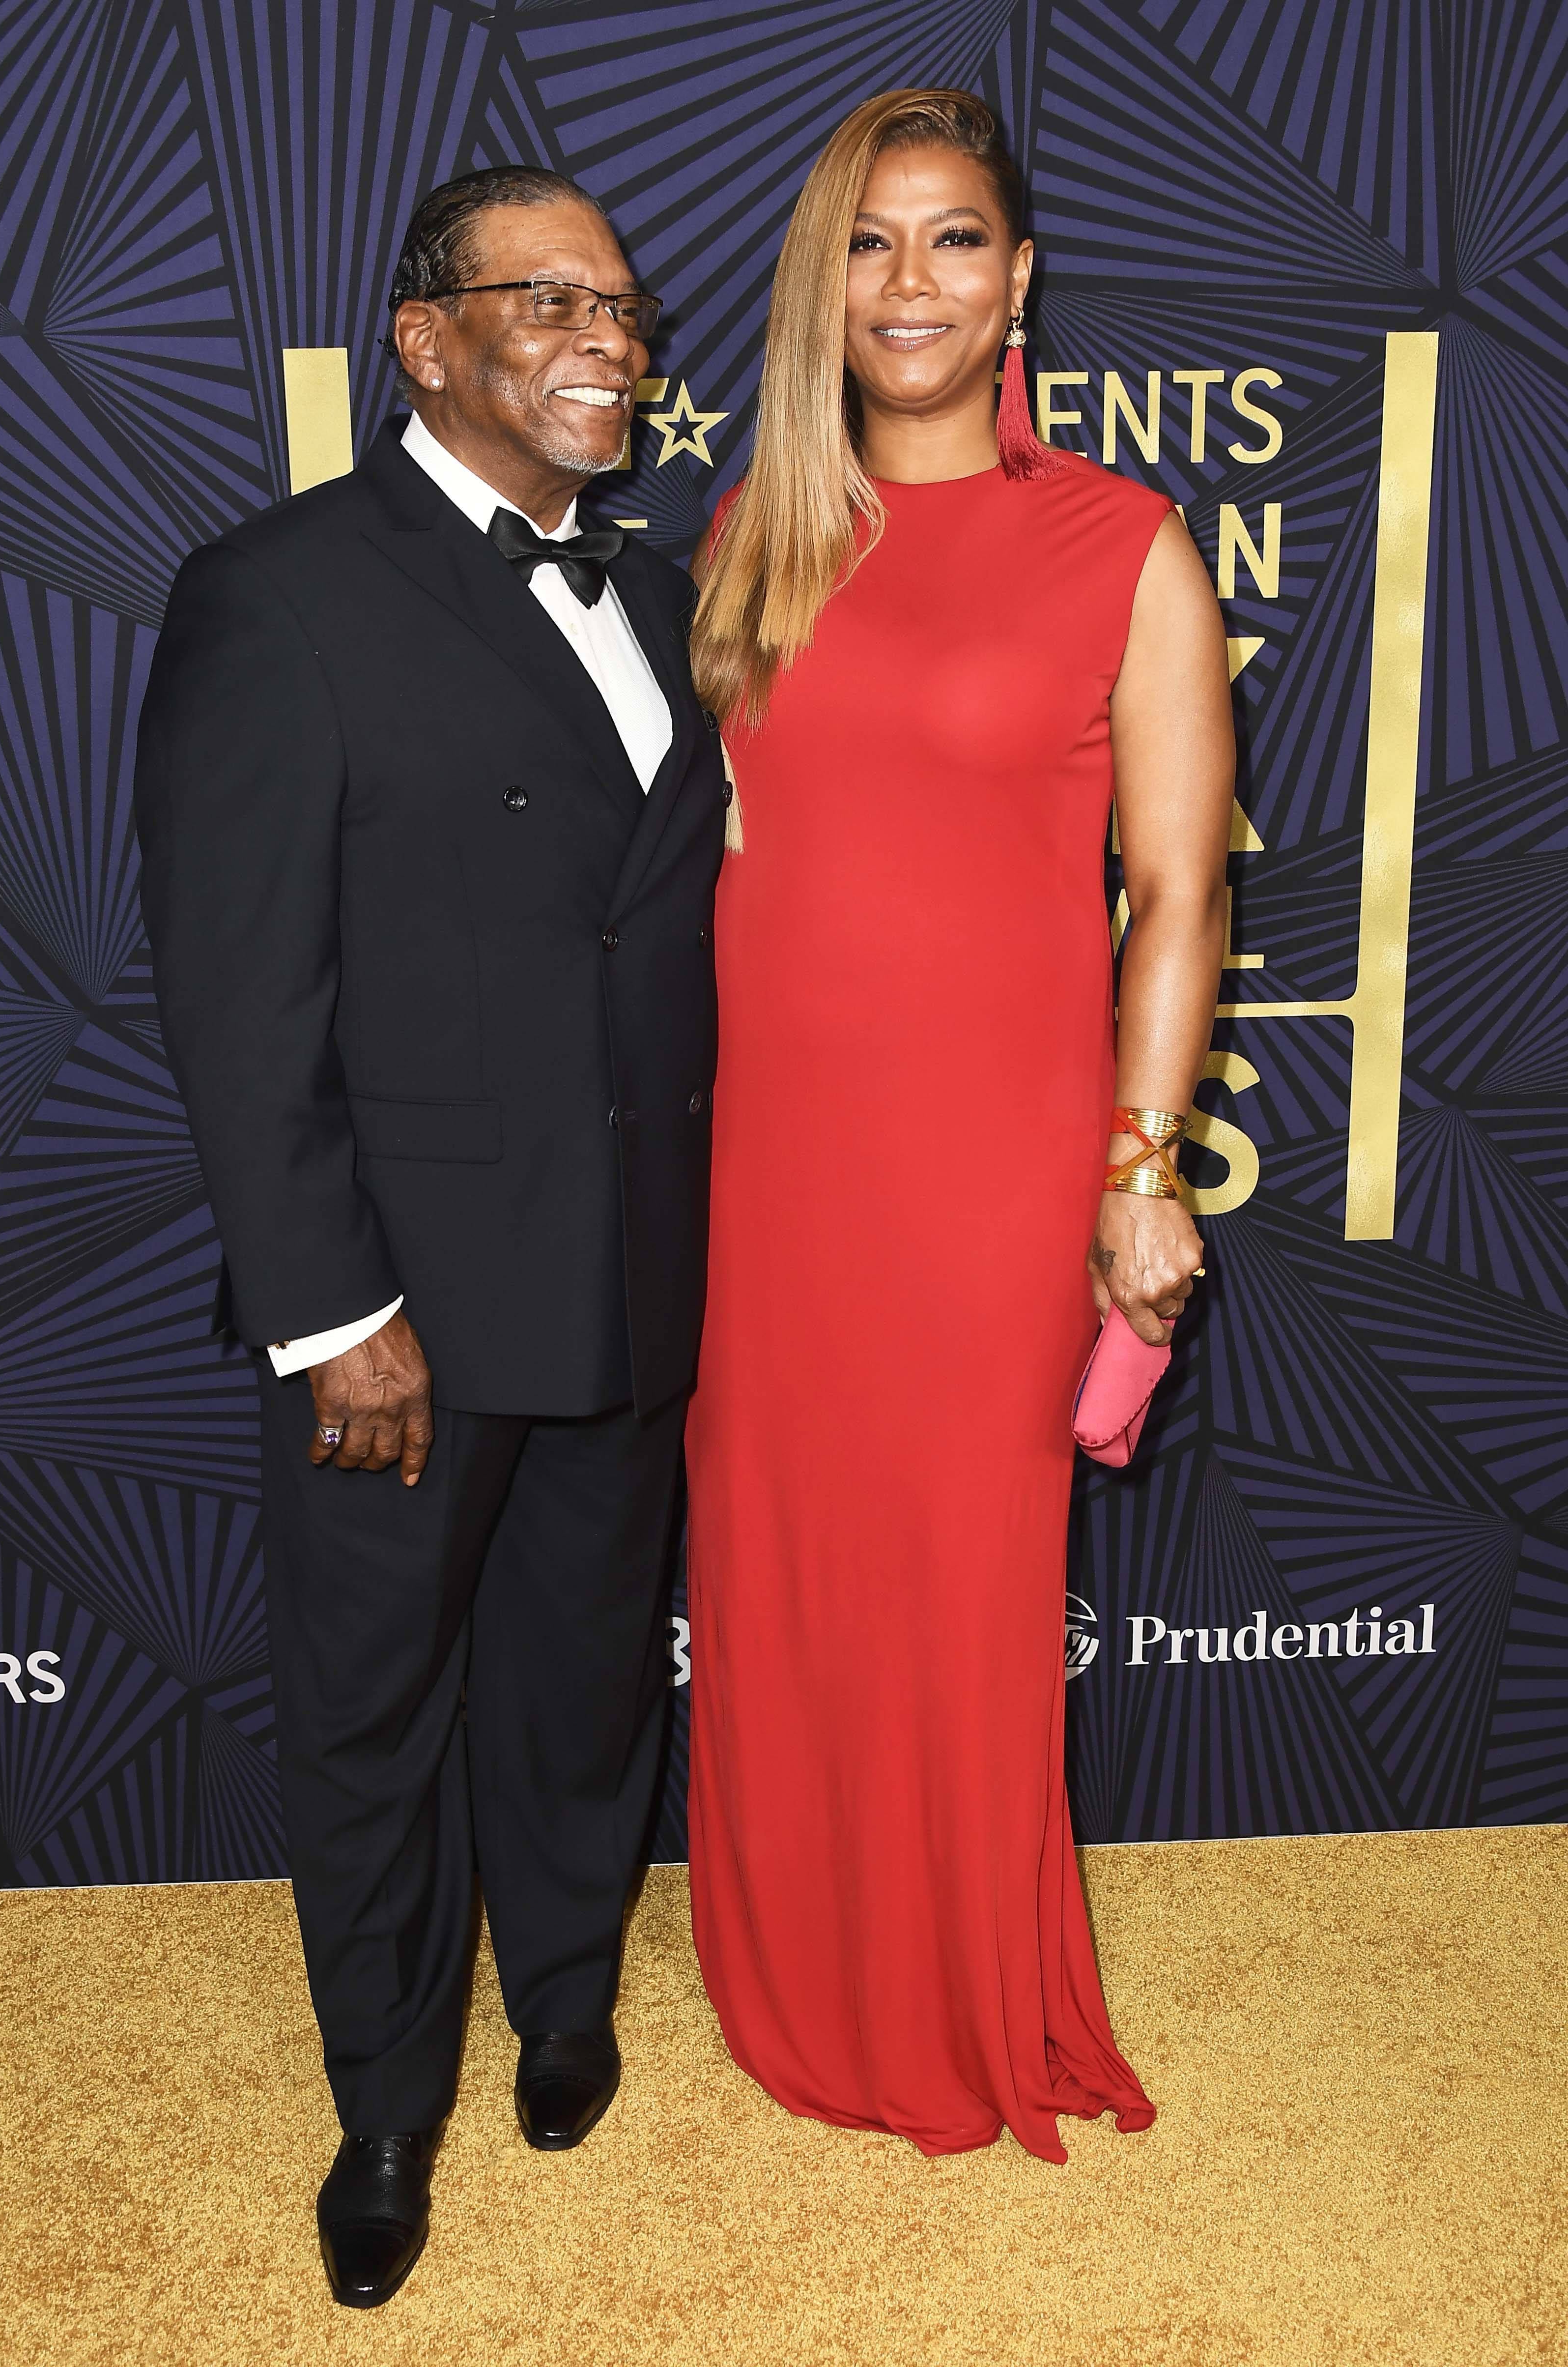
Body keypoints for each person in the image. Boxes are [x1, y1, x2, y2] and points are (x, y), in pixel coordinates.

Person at [135, 166, 726, 2307]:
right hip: (403, 1294)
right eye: (545, 297)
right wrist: (327, 1310)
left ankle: (561, 1994)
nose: (604, 337)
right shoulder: (280, 593)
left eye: (627, 306)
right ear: (423, 340)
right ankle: (385, 2093)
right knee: (374, 1701)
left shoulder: (667, 600)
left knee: (580, 1667)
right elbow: (235, 985)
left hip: (642, 1260)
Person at [684, 89, 1232, 2161]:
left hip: (986, 1159)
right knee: (777, 1559)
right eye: (868, 244)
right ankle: (794, 1960)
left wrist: (1135, 1163)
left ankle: (949, 1986)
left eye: (954, 242)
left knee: (953, 1576)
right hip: (770, 1157)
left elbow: (1177, 890)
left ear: (1020, 283)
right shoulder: (755, 528)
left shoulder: (1120, 542)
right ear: (818, 286)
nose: (909, 284)